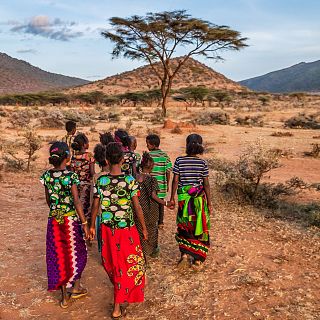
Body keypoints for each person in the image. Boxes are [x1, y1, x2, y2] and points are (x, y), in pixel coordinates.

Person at [90, 142, 148, 319]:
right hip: (127, 230)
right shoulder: (129, 181)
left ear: (106, 160)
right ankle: (118, 305)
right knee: (131, 265)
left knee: (113, 265)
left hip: (107, 230)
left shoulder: (101, 181)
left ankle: (119, 298)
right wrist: (144, 228)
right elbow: (137, 207)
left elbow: (95, 206)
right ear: (123, 160)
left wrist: (92, 225)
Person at [40, 141, 89, 309]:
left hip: (54, 221)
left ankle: (64, 298)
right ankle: (75, 287)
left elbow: (48, 200)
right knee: (78, 252)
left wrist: (56, 210)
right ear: (67, 158)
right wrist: (84, 221)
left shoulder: (47, 176)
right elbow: (76, 201)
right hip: (70, 222)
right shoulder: (71, 176)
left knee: (58, 257)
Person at [169, 134, 213, 270]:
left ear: (187, 144)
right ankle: (198, 260)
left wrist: (172, 198)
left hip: (184, 200)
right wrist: (210, 203)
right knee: (199, 224)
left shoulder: (179, 161)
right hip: (198, 200)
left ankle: (184, 256)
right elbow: (206, 185)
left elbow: (175, 180)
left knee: (184, 225)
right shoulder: (202, 163)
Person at [135, 152, 172, 260]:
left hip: (138, 210)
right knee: (151, 232)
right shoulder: (152, 180)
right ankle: (149, 251)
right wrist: (165, 203)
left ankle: (140, 251)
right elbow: (153, 196)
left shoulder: (135, 179)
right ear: (152, 167)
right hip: (151, 211)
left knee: (140, 230)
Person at [146, 134, 172, 229]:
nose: (147, 146)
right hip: (161, 184)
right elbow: (168, 171)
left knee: (151, 202)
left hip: (150, 184)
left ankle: (151, 220)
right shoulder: (164, 156)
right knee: (161, 203)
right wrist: (167, 183)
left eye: (148, 144)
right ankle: (160, 222)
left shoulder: (148, 156)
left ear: (153, 145)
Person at [70, 133, 95, 225]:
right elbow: (92, 173)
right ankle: (86, 232)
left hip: (76, 187)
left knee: (78, 208)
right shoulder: (89, 156)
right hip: (87, 187)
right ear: (84, 145)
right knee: (87, 210)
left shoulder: (73, 157)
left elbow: (72, 174)